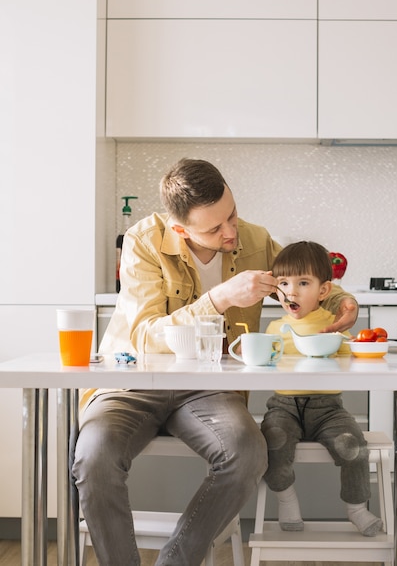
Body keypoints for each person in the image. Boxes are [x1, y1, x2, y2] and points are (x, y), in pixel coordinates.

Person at [73, 159, 359, 566]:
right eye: (213, 228)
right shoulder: (144, 241)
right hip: (133, 382)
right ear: (179, 228)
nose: (230, 232)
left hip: (209, 389)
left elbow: (311, 280)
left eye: (232, 214)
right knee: (94, 453)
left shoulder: (256, 240)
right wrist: (220, 298)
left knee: (247, 452)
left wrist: (343, 301)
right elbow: (144, 337)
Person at [261, 240, 383, 537]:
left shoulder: (333, 324)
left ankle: (356, 509)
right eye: (284, 283)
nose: (292, 291)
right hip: (283, 407)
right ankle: (286, 500)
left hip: (327, 409)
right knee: (272, 443)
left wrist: (359, 352)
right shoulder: (274, 328)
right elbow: (263, 366)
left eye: (303, 282)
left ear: (324, 290)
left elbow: (351, 360)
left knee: (353, 448)